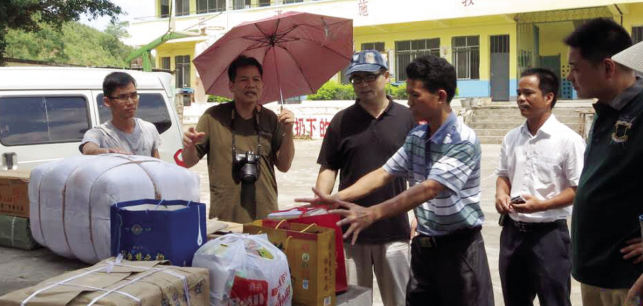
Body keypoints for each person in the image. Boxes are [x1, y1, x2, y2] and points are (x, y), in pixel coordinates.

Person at [299, 55, 494, 306]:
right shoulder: (418, 136)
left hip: (459, 251)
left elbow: (429, 188)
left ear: (441, 96)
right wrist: (333, 198)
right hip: (425, 248)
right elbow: (384, 173)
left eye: (415, 96)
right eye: (408, 95)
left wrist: (372, 213)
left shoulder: (462, 140)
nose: (409, 102)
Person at [315, 50, 415, 306]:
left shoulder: (407, 118)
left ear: (386, 76)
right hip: (350, 233)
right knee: (352, 302)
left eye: (369, 77)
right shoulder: (342, 121)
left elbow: (419, 172)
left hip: (394, 230)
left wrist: (418, 215)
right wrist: (321, 202)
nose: (363, 84)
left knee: (400, 300)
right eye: (357, 79)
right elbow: (329, 167)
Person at [564, 19, 643, 305]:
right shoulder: (604, 111)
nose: (570, 76)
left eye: (575, 67)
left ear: (608, 67)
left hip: (629, 280)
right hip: (596, 274)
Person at [495, 68, 585, 306]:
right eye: (518, 93)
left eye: (528, 93)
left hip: (549, 237)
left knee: (554, 300)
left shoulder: (568, 140)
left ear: (548, 97)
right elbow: (504, 174)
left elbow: (577, 189)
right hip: (512, 234)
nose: (520, 99)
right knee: (514, 299)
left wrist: (542, 205)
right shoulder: (512, 137)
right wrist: (501, 194)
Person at [181, 55, 295, 223]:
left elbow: (284, 166)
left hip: (265, 217)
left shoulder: (270, 118)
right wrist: (189, 145)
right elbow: (188, 161)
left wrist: (289, 132)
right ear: (231, 85)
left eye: (256, 79)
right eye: (244, 79)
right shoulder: (213, 117)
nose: (251, 84)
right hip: (224, 219)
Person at [80, 71, 161, 157]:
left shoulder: (149, 129)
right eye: (123, 97)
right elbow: (88, 150)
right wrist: (108, 152)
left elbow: (157, 165)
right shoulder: (100, 134)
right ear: (107, 102)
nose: (130, 102)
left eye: (133, 95)